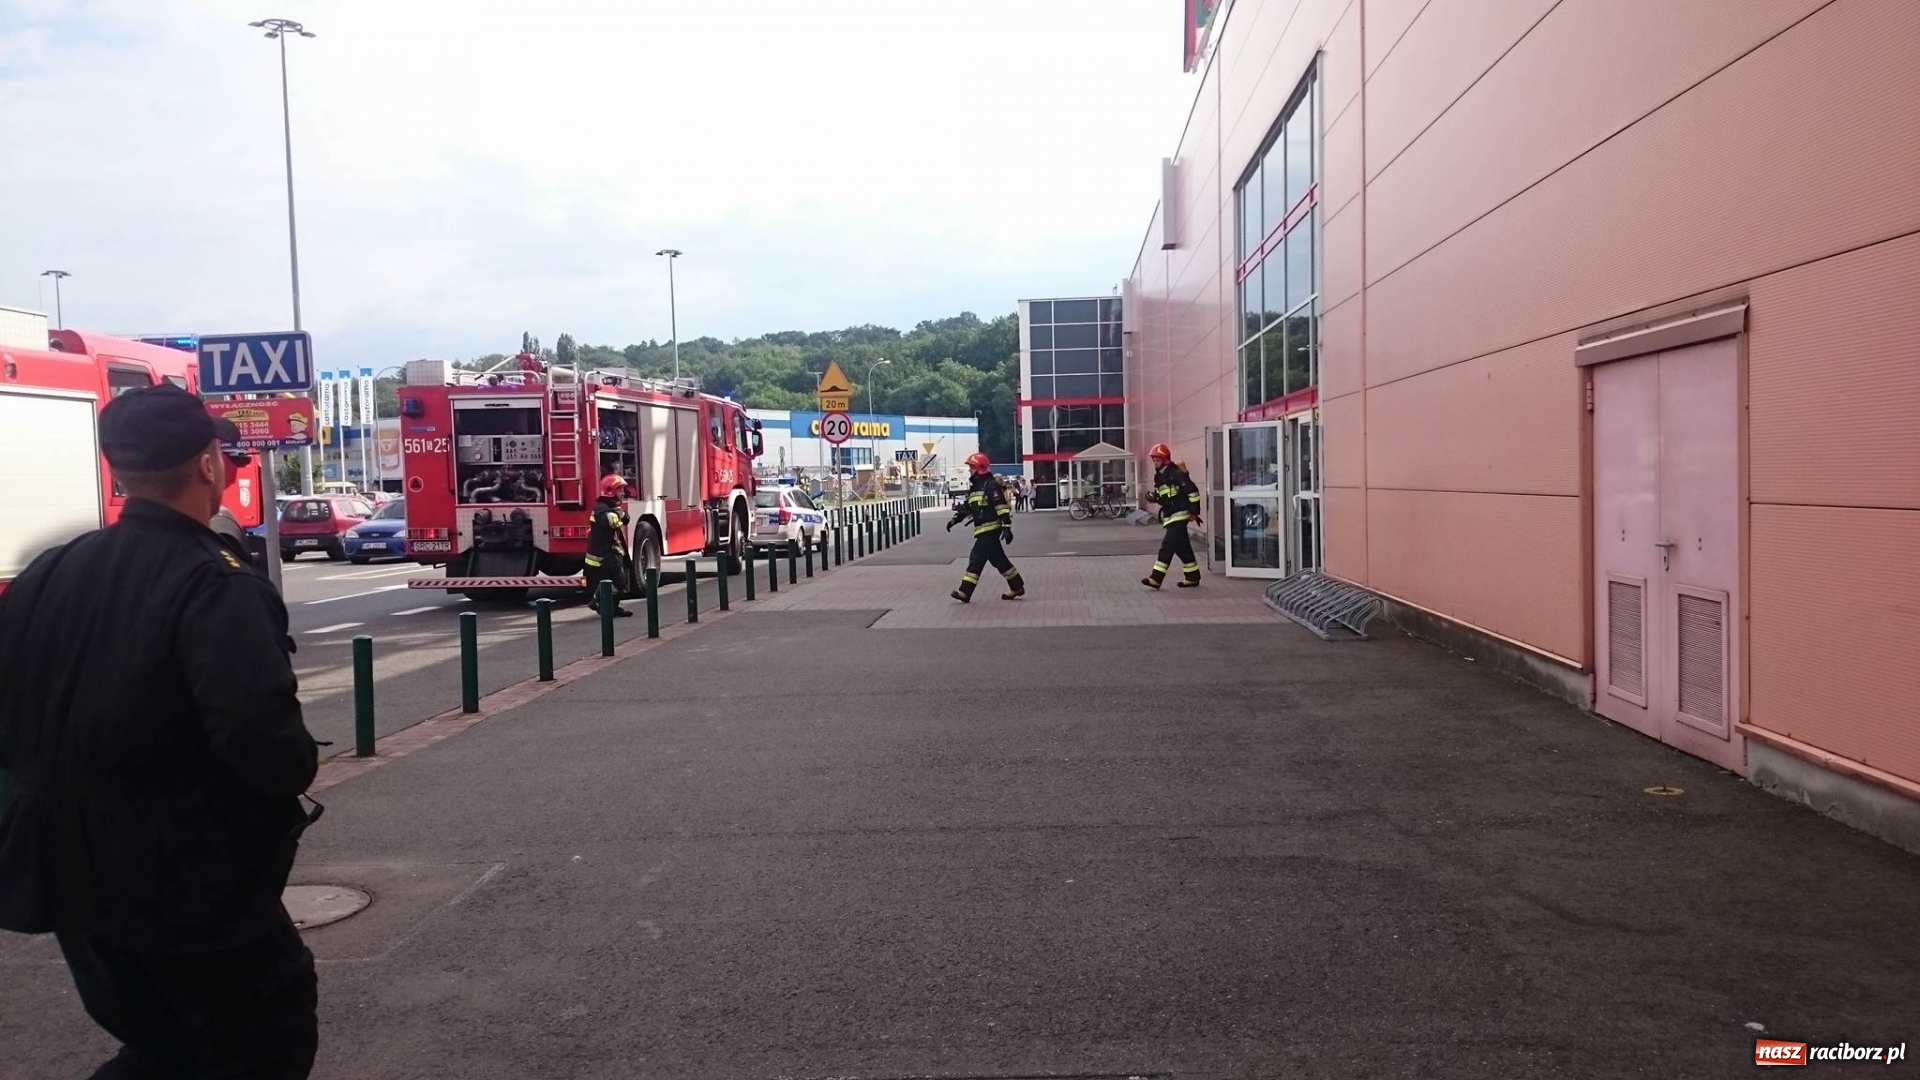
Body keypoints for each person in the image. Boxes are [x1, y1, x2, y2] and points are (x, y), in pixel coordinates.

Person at [0, 384, 321, 1078]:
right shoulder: (213, 583)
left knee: (161, 1045)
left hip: (64, 873)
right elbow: (261, 739)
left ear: (117, 467)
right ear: (209, 465)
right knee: (263, 1038)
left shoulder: (49, 571)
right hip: (187, 878)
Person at [945, 453, 1024, 602]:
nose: (969, 471)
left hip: (990, 529)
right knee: (999, 560)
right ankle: (1017, 586)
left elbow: (1000, 506)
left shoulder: (990, 484)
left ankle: (965, 591)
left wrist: (1007, 527)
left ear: (978, 468)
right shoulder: (976, 486)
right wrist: (955, 519)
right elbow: (969, 506)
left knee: (976, 558)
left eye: (971, 467)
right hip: (982, 530)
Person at [1142, 442, 1203, 589]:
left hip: (1181, 514)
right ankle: (1193, 577)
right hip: (1171, 516)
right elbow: (1166, 497)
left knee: (1167, 545)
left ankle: (1156, 578)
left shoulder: (1175, 473)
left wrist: (1194, 512)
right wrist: (1155, 498)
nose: (1155, 463)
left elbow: (1193, 491)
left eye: (1158, 460)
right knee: (1182, 548)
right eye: (1154, 460)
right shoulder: (1160, 477)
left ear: (1165, 460)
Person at [585, 473, 634, 616]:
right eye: (620, 490)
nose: (622, 493)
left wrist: (620, 513)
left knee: (616, 581)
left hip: (608, 553)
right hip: (604, 554)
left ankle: (613, 608)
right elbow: (611, 522)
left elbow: (626, 519)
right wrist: (618, 514)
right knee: (619, 582)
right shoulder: (602, 509)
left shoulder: (610, 506)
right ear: (611, 491)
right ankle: (597, 600)